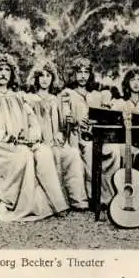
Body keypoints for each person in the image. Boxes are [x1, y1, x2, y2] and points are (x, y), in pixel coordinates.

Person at [0, 53, 69, 222]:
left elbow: (32, 121)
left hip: (21, 143)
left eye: (7, 70)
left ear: (12, 74)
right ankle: (22, 207)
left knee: (43, 151)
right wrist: (3, 135)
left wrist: (33, 135)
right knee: (24, 155)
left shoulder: (19, 97)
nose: (4, 73)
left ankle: (56, 204)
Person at [24, 60, 89, 210]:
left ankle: (77, 199)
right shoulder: (30, 99)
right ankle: (55, 201)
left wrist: (60, 134)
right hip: (38, 143)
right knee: (49, 154)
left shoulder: (55, 100)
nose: (45, 79)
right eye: (41, 76)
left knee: (72, 154)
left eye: (48, 76)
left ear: (53, 78)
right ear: (36, 78)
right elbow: (27, 125)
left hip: (55, 141)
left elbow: (61, 125)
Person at [57, 57, 117, 206]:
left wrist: (97, 119)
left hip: (95, 135)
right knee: (90, 150)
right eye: (79, 72)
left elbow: (105, 117)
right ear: (73, 74)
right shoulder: (67, 94)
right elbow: (63, 120)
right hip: (75, 136)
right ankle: (93, 196)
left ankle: (108, 196)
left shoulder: (96, 95)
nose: (83, 76)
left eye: (86, 72)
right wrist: (74, 120)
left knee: (114, 150)